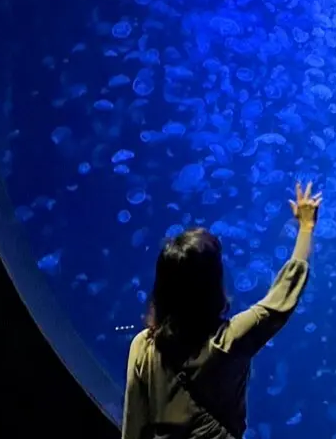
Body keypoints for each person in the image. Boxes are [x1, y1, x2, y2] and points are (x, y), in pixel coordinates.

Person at [122, 181, 323, 439]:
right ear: (214, 283)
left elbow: (133, 426)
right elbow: (282, 297)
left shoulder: (144, 347)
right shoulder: (229, 342)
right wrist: (306, 227)